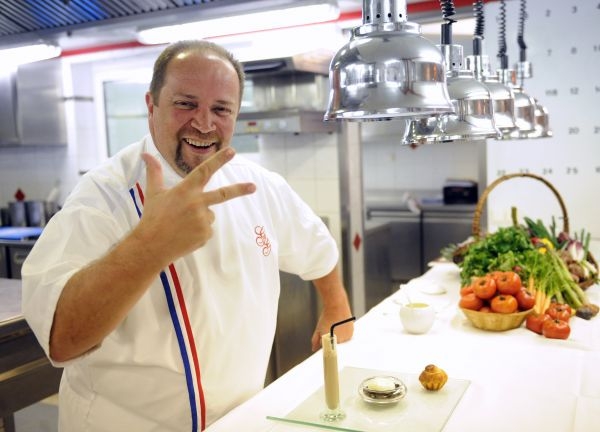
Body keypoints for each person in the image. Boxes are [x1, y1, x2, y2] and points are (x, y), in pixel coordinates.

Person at [21, 40, 353, 432]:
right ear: (151, 105)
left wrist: (336, 307)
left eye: (220, 109)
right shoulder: (104, 196)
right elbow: (63, 339)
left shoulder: (257, 185)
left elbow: (317, 247)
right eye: (186, 103)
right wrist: (150, 246)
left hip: (240, 420)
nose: (204, 123)